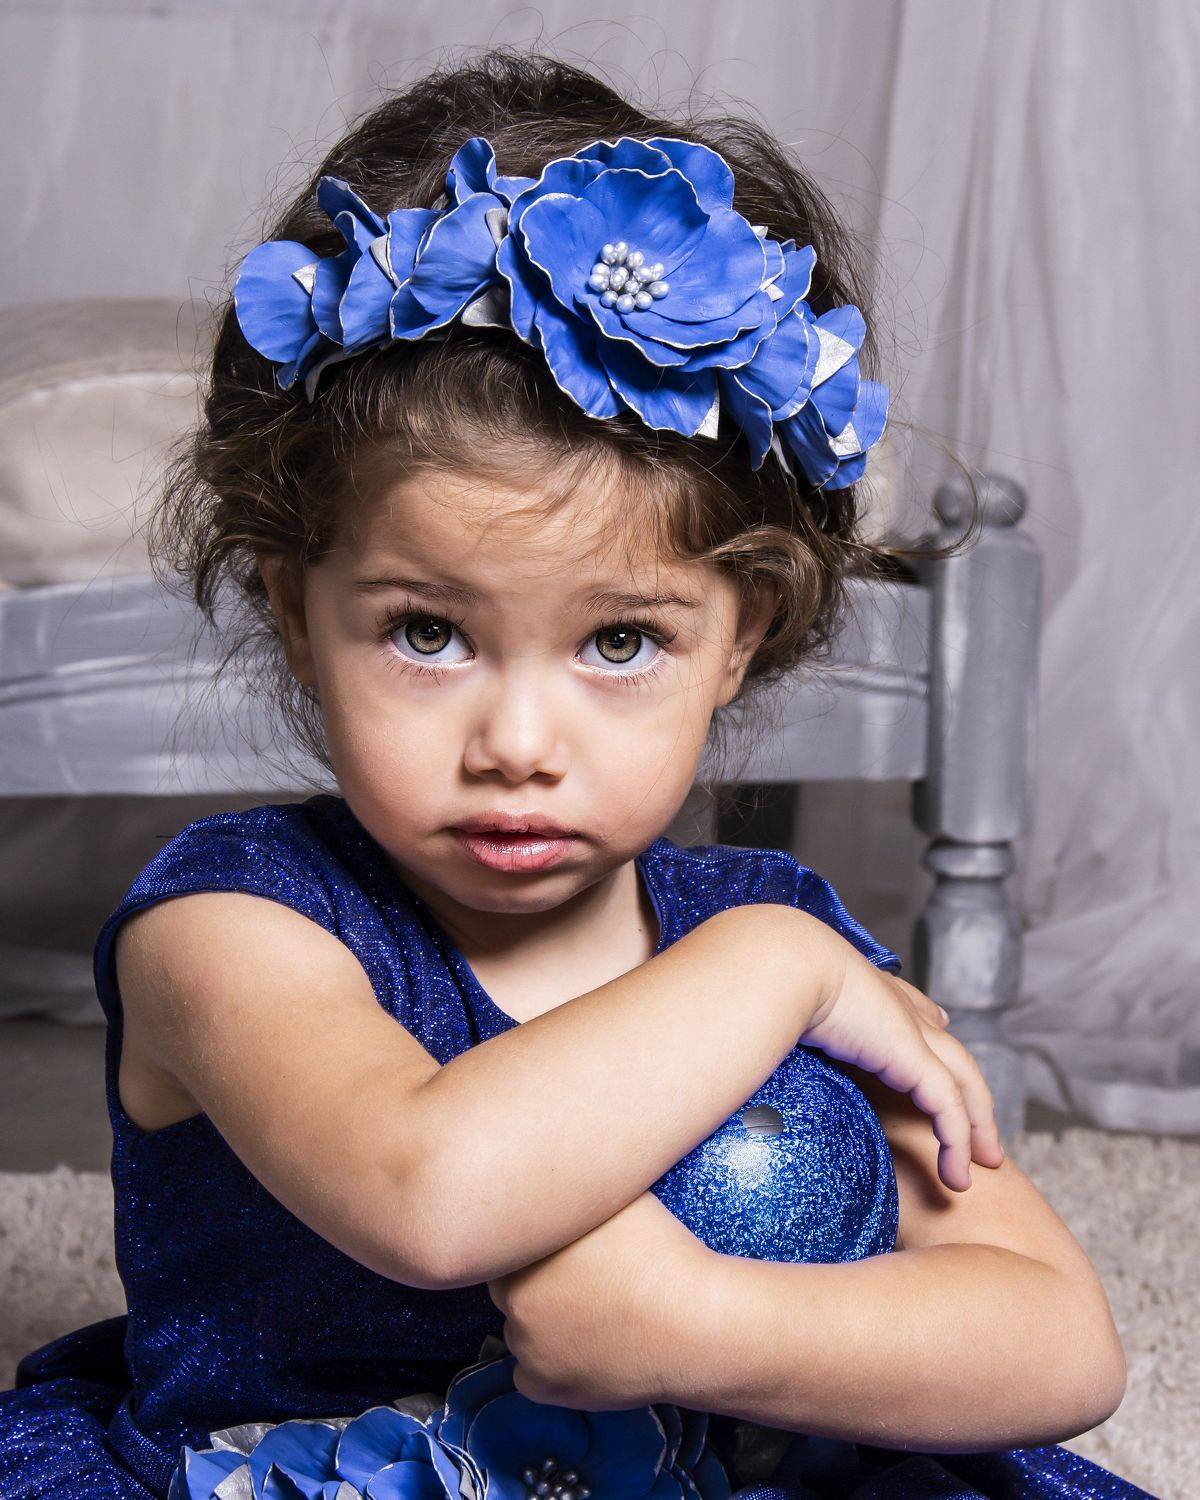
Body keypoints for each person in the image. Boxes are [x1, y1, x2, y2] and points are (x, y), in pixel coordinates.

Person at [0, 48, 1148, 1500]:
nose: (520, 745)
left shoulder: (769, 921)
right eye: (428, 633)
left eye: (619, 641)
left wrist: (705, 1328)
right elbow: (427, 1197)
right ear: (296, 610)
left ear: (742, 635)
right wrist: (777, 972)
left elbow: (1061, 1345)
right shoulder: (232, 930)